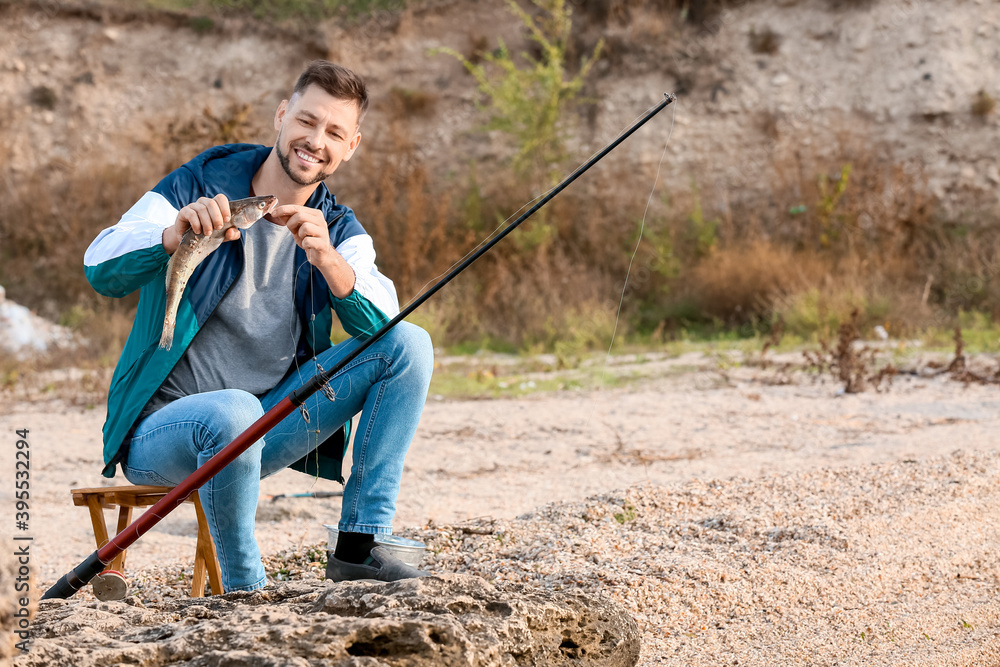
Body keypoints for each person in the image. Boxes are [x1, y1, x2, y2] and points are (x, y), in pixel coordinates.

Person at [83, 60, 434, 592]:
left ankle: (361, 544)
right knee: (234, 410)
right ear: (281, 115)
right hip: (162, 434)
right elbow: (99, 264)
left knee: (409, 343)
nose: (315, 141)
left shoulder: (339, 228)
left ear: (352, 146)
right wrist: (169, 236)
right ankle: (245, 588)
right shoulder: (199, 183)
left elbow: (385, 322)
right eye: (306, 121)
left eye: (334, 132)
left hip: (267, 429)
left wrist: (333, 267)